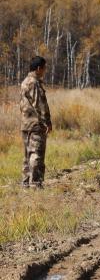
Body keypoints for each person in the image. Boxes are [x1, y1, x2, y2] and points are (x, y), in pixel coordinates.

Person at [20, 56, 52, 188]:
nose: (45, 71)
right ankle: (36, 184)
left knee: (27, 154)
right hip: (36, 124)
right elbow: (40, 104)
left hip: (25, 124)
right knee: (36, 154)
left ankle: (26, 183)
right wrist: (47, 122)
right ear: (39, 69)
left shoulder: (25, 82)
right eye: (44, 68)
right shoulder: (34, 83)